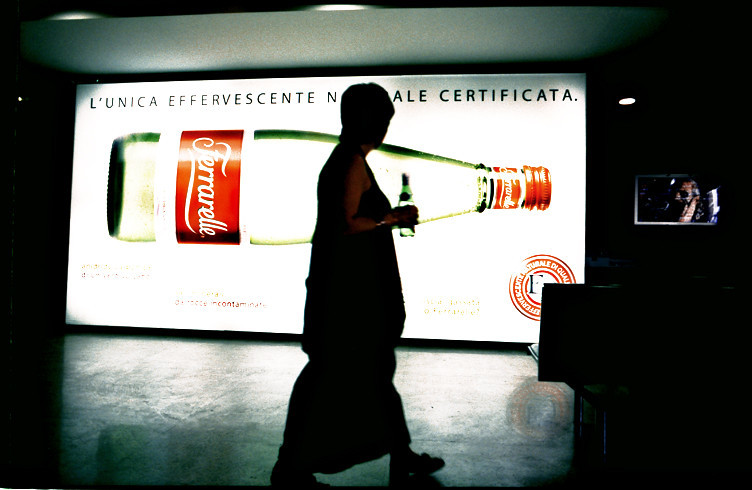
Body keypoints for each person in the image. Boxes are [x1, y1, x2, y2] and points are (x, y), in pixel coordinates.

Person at [270, 83, 444, 487]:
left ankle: (399, 455)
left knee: (373, 373)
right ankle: (290, 467)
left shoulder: (350, 160)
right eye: (382, 118)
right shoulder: (349, 162)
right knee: (335, 376)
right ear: (373, 122)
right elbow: (347, 224)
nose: (385, 126)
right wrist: (392, 219)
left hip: (351, 291)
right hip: (348, 297)